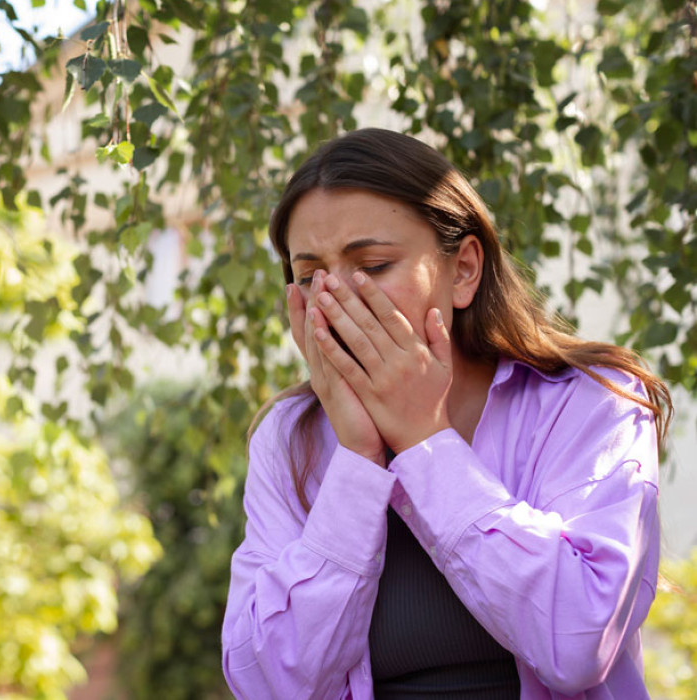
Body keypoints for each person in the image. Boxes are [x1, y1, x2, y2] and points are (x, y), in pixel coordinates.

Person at [221, 128, 672, 699]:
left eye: (374, 264)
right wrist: (359, 464)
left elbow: (581, 637)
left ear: (463, 270)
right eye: (310, 277)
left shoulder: (592, 402)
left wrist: (425, 443)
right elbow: (265, 682)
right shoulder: (291, 439)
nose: (335, 300)